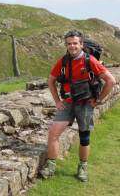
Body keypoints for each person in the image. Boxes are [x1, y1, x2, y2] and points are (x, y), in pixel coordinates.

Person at [40, 30, 116, 182]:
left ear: (81, 44)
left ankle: (82, 168)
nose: (72, 46)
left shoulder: (90, 61)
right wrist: (57, 101)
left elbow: (111, 81)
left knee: (84, 137)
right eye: (69, 44)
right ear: (66, 45)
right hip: (67, 103)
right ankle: (51, 166)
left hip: (85, 104)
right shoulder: (63, 61)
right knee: (53, 133)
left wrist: (98, 100)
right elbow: (51, 80)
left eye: (75, 43)